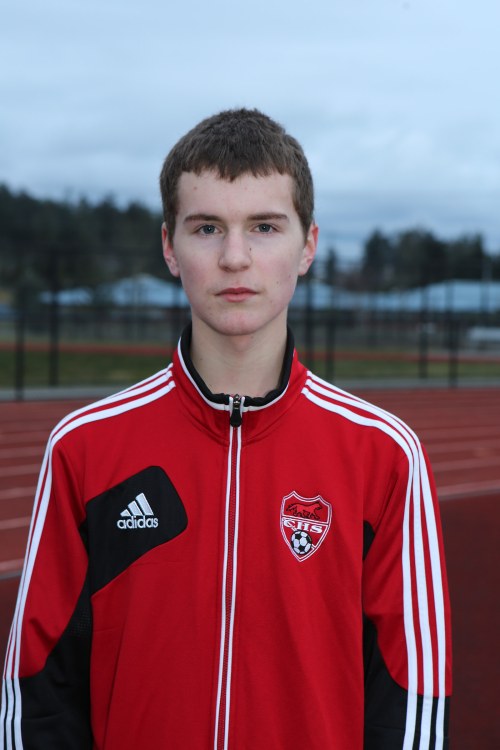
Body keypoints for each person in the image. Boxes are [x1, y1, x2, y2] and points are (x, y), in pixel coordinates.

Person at [1, 108, 451, 749]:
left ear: (308, 246)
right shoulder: (85, 447)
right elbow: (37, 692)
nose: (234, 258)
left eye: (264, 227)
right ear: (169, 247)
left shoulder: (384, 455)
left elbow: (412, 700)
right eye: (207, 227)